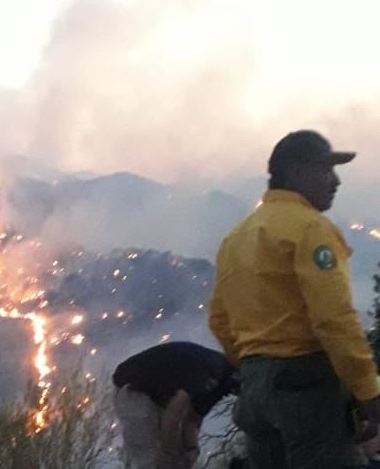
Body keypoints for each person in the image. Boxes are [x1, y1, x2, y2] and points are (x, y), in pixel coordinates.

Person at [209, 130, 380, 469]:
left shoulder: (237, 236)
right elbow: (334, 319)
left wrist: (255, 369)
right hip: (306, 390)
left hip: (254, 393)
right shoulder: (310, 229)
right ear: (296, 171)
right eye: (325, 169)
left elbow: (219, 319)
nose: (336, 181)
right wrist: (368, 391)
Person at [112, 341, 237, 469]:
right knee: (150, 458)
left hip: (160, 396)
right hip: (134, 386)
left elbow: (192, 419)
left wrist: (191, 450)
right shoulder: (213, 368)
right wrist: (167, 453)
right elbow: (174, 412)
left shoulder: (221, 384)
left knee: (176, 455)